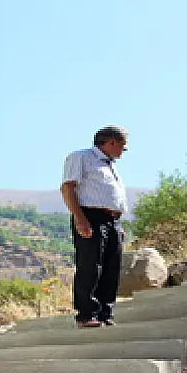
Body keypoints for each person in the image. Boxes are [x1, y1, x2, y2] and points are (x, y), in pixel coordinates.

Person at [60, 126, 129, 328]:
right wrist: (80, 218)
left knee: (111, 267)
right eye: (123, 146)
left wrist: (117, 223)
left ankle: (104, 313)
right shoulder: (81, 157)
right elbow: (67, 187)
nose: (124, 151)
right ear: (111, 142)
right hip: (91, 216)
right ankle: (86, 313)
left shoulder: (110, 165)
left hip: (112, 220)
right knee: (90, 265)